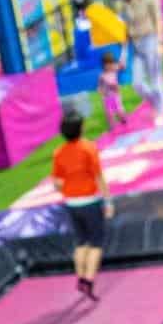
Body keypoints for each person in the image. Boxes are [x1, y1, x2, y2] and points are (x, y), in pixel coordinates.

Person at [51, 110, 110, 298]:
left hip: (71, 203)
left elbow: (57, 182)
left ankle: (80, 276)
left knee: (80, 242)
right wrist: (107, 200)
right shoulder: (88, 148)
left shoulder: (59, 153)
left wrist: (68, 192)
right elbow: (99, 176)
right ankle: (89, 279)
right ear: (81, 128)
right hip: (90, 201)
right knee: (95, 243)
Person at [124, 0, 163, 127]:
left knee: (155, 78)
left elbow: (158, 19)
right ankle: (156, 102)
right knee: (137, 83)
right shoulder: (128, 0)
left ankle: (160, 109)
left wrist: (160, 42)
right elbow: (127, 26)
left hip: (150, 39)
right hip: (136, 44)